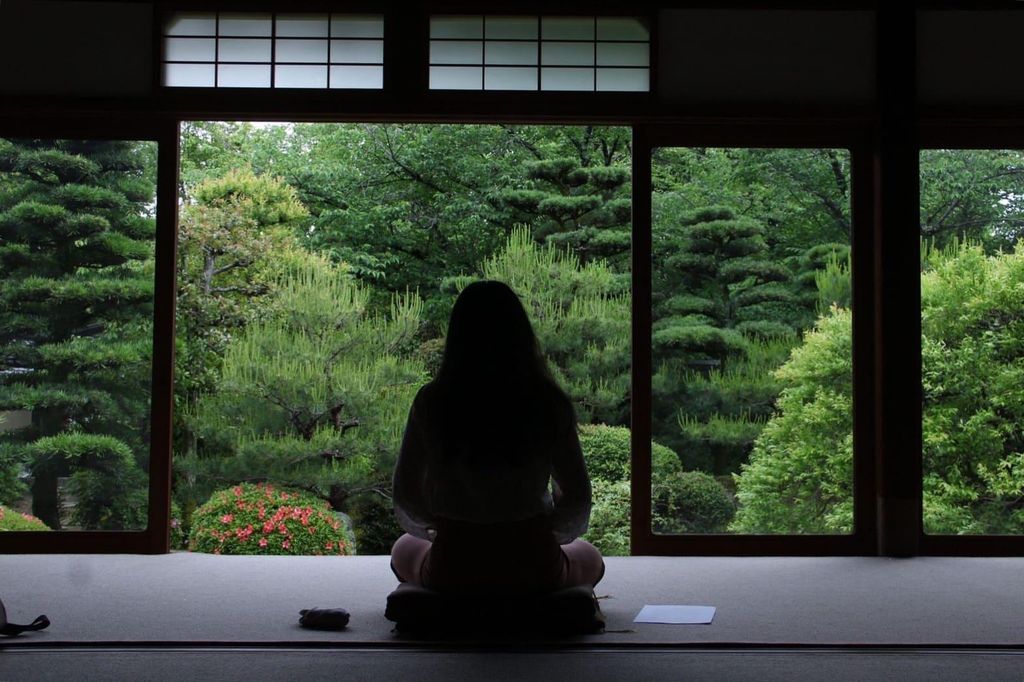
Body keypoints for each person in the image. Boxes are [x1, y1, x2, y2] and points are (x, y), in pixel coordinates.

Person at [390, 280, 605, 596]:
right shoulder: (547, 402)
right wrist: (546, 533)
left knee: (403, 549)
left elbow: (406, 493)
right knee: (591, 558)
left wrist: (438, 527)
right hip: (533, 561)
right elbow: (576, 496)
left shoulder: (433, 402)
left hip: (455, 562)